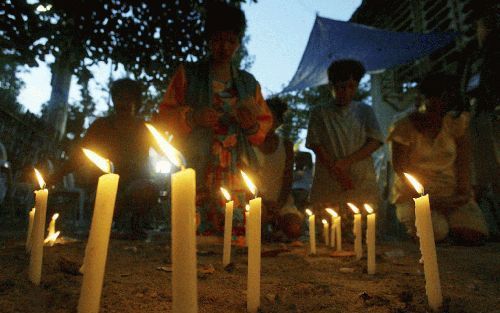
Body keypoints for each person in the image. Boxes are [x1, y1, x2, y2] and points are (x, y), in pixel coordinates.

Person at [156, 2, 272, 234]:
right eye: (218, 40)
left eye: (231, 41)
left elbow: (263, 128)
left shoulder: (249, 83)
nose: (224, 47)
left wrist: (250, 126)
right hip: (198, 160)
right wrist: (193, 117)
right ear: (208, 40)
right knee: (195, 226)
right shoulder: (188, 74)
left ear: (238, 43)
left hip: (236, 165)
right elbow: (163, 117)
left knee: (235, 226)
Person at [389, 73, 489, 244]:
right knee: (435, 232)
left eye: (443, 107)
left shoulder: (455, 123)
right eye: (431, 105)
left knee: (473, 234)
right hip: (415, 196)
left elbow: (463, 164)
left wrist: (463, 194)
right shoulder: (403, 128)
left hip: (451, 193)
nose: (436, 114)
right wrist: (428, 200)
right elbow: (402, 171)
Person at [50, 78, 157, 238]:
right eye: (120, 98)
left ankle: (133, 223)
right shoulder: (101, 126)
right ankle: (110, 224)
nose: (124, 103)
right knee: (110, 197)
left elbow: (165, 148)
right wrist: (53, 177)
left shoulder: (145, 129)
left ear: (137, 103)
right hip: (104, 186)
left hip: (137, 186)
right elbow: (80, 155)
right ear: (114, 100)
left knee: (145, 190)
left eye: (129, 99)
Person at [306, 59, 383, 219]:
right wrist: (338, 171)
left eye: (351, 87)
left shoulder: (365, 111)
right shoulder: (319, 113)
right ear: (331, 86)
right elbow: (316, 144)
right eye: (341, 87)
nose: (346, 92)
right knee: (328, 234)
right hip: (328, 184)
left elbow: (375, 141)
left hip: (360, 181)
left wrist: (346, 162)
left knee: (362, 233)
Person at [460, 2, 499, 238]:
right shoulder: (471, 53)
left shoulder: (496, 47)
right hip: (478, 116)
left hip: (493, 112)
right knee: (484, 174)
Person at [253, 97, 303, 241]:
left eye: (271, 119)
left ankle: (276, 230)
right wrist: (262, 203)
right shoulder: (249, 144)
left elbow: (288, 179)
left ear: (279, 122)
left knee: (294, 228)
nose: (266, 122)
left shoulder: (286, 146)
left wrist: (279, 205)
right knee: (257, 222)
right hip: (254, 201)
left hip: (281, 202)